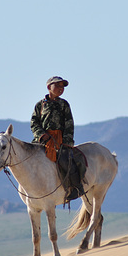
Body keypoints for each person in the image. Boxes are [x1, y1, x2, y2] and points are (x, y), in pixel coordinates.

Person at [31, 76, 86, 204]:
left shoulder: (64, 104)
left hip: (60, 140)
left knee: (67, 161)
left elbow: (69, 123)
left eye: (62, 87)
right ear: (49, 87)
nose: (61, 89)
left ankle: (75, 188)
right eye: (58, 86)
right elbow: (34, 122)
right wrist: (41, 134)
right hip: (42, 140)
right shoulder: (40, 105)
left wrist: (66, 141)